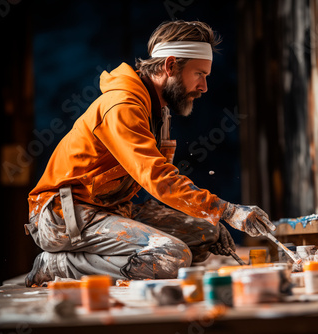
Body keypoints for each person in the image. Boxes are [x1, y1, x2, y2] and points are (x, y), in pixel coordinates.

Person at [25, 20, 275, 286]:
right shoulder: (123, 106)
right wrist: (225, 210)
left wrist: (210, 218)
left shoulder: (156, 109)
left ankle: (86, 258)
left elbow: (153, 181)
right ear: (170, 66)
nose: (204, 87)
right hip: (62, 216)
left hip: (109, 208)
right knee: (172, 257)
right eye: (199, 74)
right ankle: (59, 265)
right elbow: (159, 178)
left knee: (205, 233)